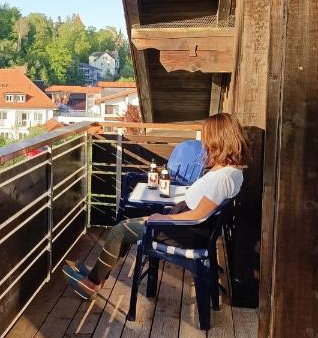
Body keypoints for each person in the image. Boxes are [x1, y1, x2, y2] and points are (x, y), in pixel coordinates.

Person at [63, 112, 248, 299]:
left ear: (219, 138)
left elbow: (197, 215)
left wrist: (164, 218)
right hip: (185, 227)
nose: (204, 143)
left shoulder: (224, 177)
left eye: (207, 136)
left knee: (120, 230)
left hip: (183, 232)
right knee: (126, 228)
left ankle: (91, 284)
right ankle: (97, 277)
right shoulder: (226, 171)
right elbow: (201, 206)